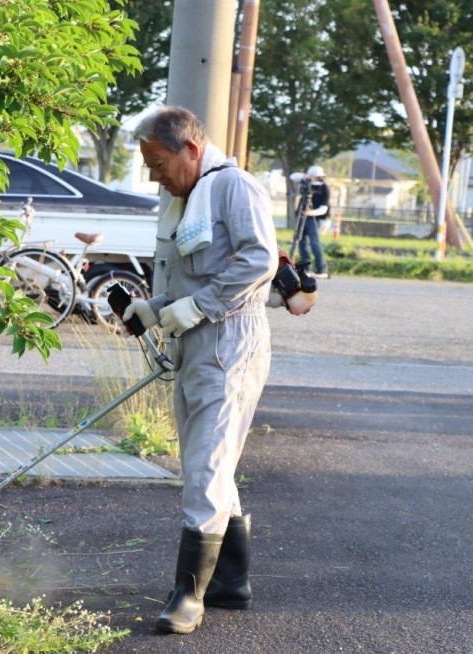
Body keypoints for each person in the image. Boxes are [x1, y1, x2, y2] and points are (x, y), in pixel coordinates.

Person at [123, 106, 313, 635]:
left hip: (232, 343)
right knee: (208, 463)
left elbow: (257, 259)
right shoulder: (187, 197)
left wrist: (199, 307)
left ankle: (188, 596)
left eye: (159, 163)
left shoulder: (234, 187)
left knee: (206, 466)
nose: (155, 176)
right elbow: (194, 280)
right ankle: (230, 582)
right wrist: (155, 306)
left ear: (189, 149)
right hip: (196, 343)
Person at [297, 165, 330, 278]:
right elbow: (293, 177)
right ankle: (306, 268)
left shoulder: (324, 188)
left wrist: (310, 213)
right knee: (302, 243)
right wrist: (305, 176)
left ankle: (322, 269)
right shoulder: (306, 185)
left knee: (315, 243)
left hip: (315, 219)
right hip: (302, 218)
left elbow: (324, 209)